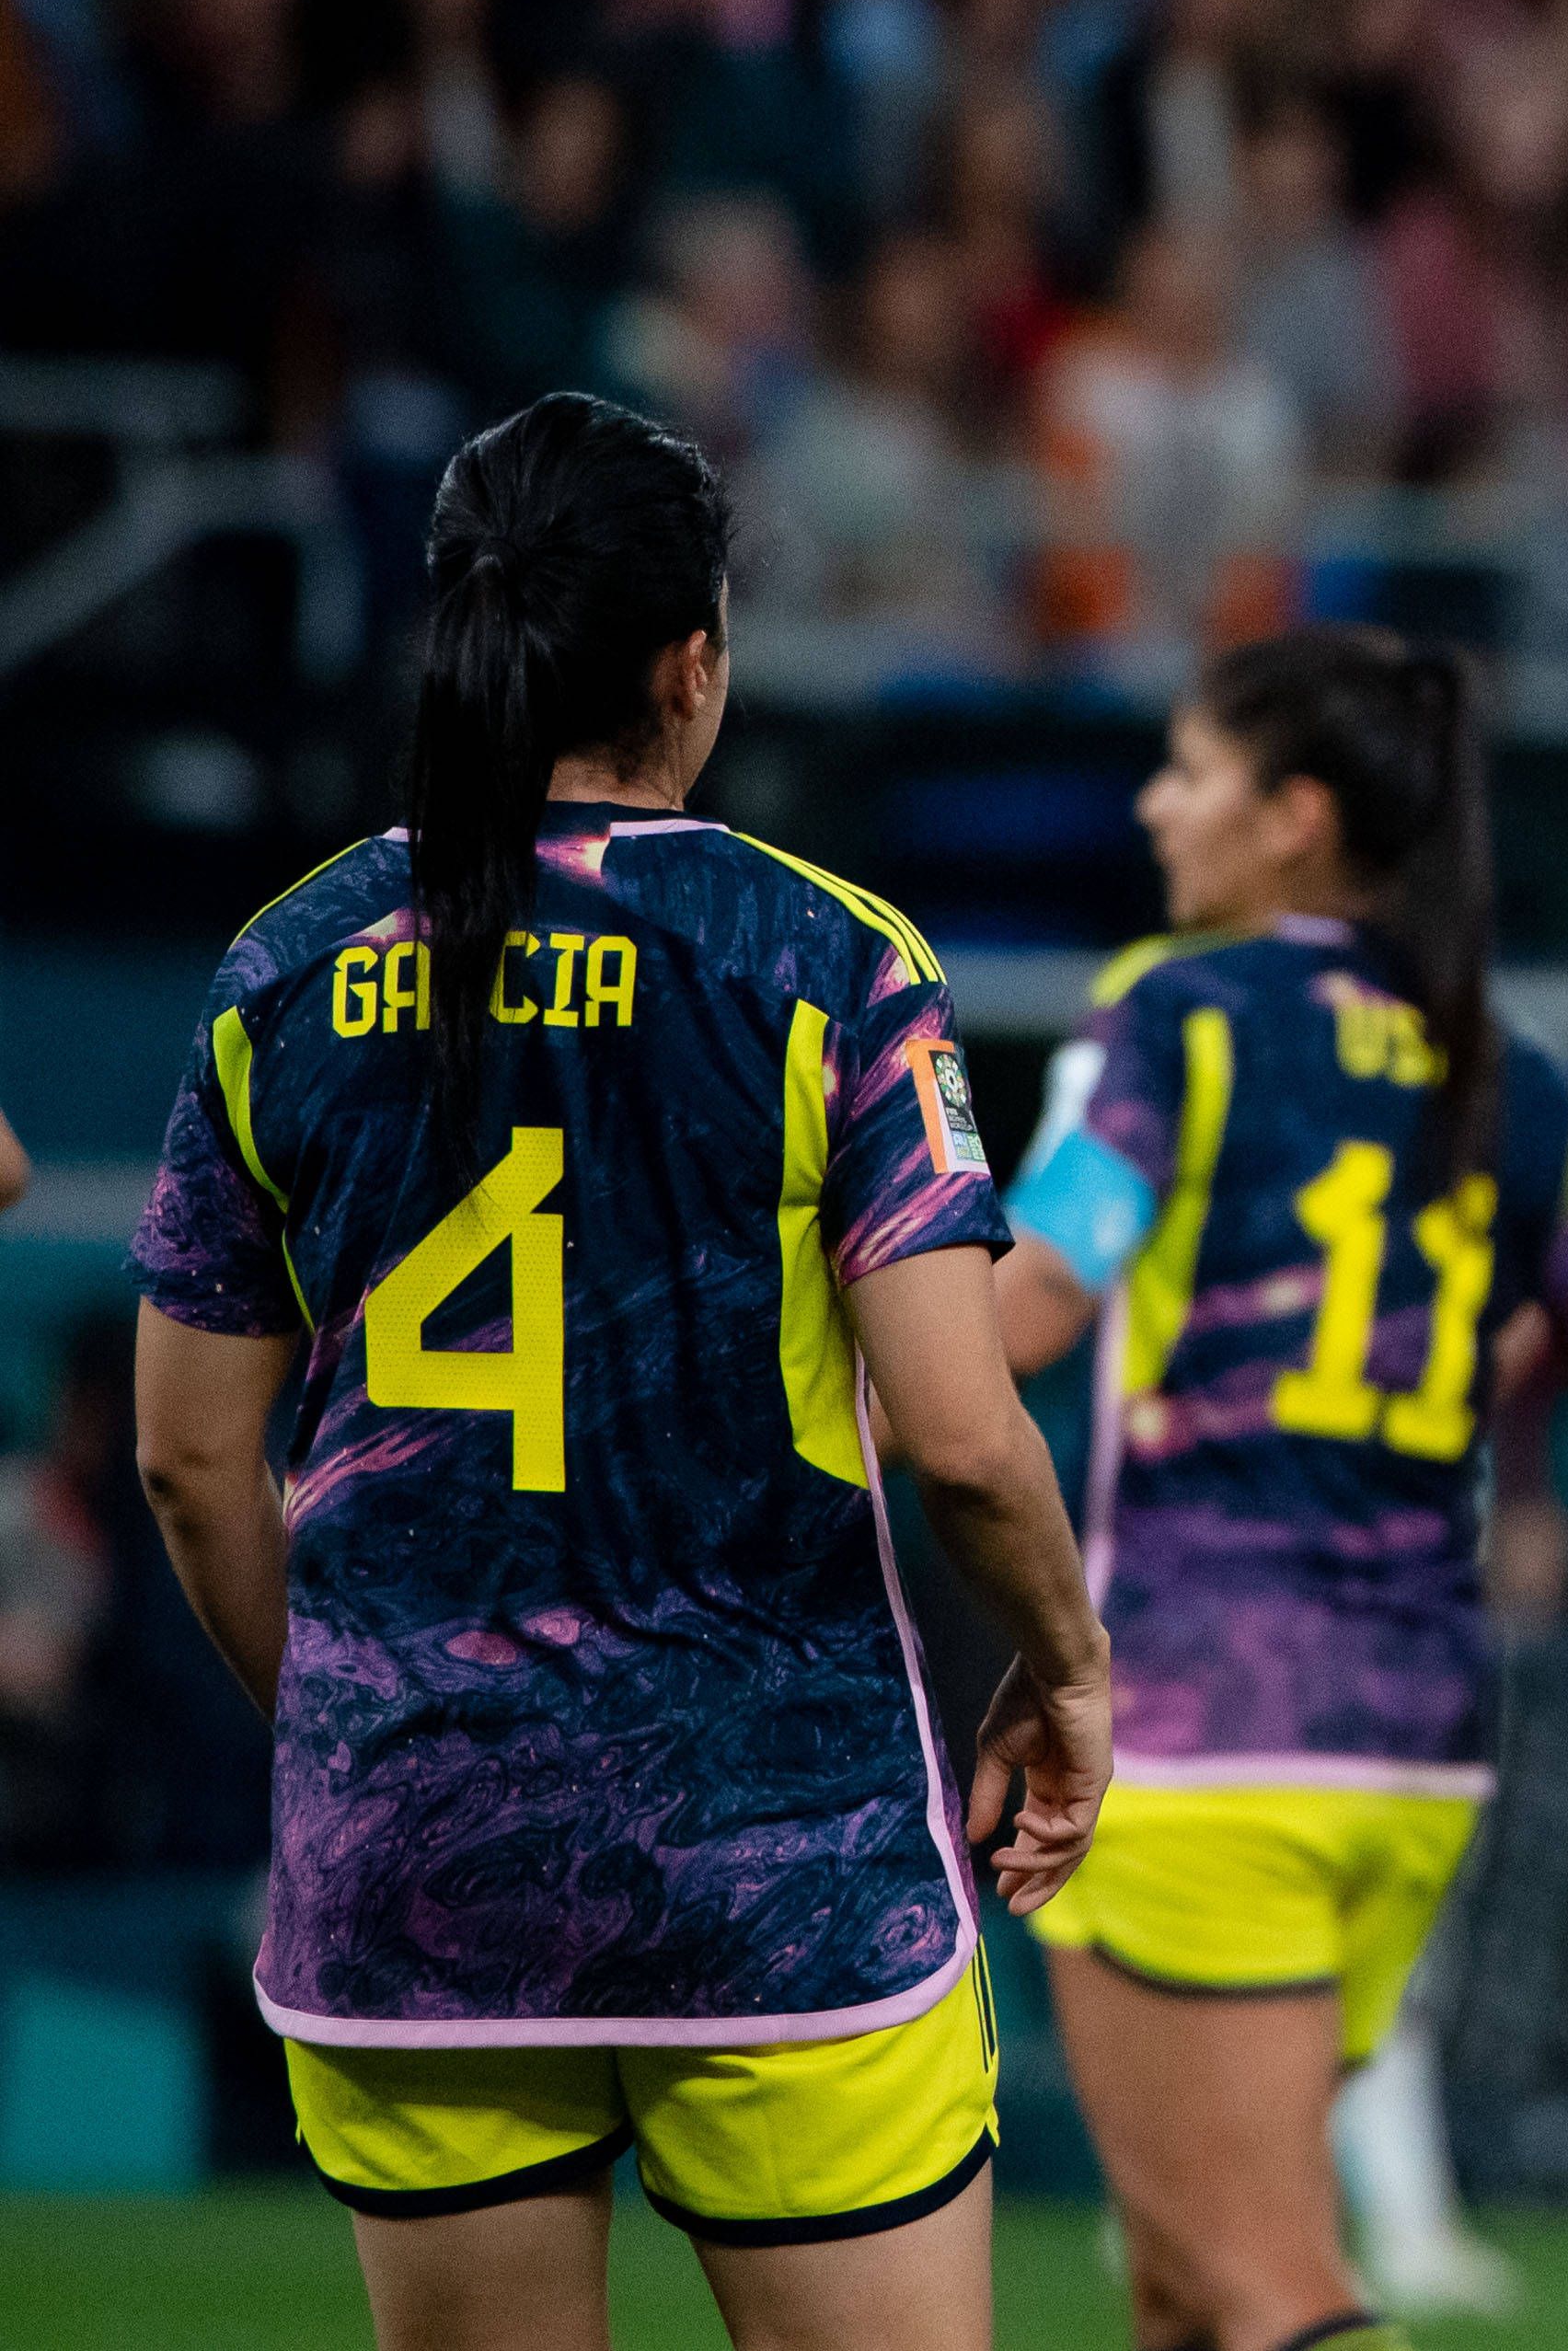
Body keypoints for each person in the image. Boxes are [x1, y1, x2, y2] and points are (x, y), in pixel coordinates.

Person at [127, 395, 1112, 2350]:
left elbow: (186, 1466)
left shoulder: (282, 970)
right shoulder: (824, 961)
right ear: (692, 663)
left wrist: (353, 1724)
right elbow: (966, 1442)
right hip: (785, 1863)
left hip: (413, 1868)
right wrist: (1069, 1673)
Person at [991, 624, 1568, 2351]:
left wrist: (809, 1326)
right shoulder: (1528, 1081)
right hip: (1414, 1744)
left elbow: (1026, 1310)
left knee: (1264, 2293)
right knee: (1190, 2293)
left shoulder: (1173, 1021)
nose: (1153, 804)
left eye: (1189, 770)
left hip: (1204, 1727)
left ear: (1295, 819)